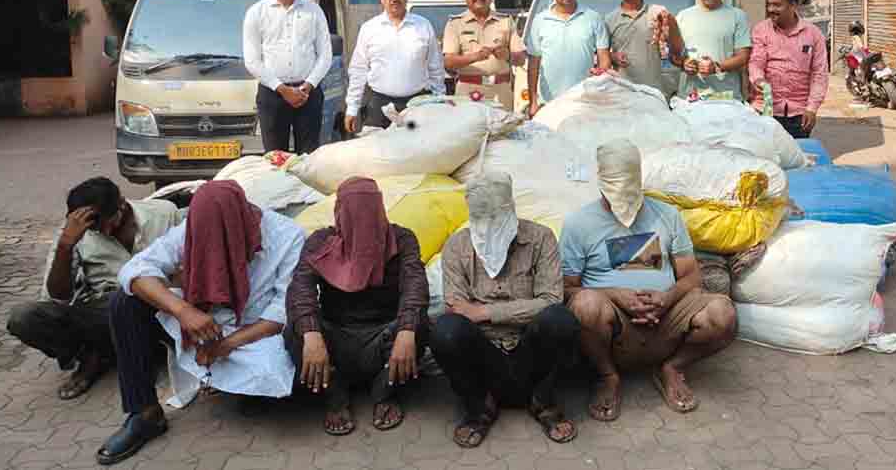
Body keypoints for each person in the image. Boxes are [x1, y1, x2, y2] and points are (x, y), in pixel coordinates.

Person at [95, 181, 304, 466]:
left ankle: (241, 389)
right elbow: (134, 269)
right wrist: (182, 311)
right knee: (126, 301)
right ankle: (144, 413)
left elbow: (282, 313)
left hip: (253, 334)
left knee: (276, 368)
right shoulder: (192, 227)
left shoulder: (288, 236)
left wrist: (225, 345)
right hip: (200, 323)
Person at [561, 139, 737, 422]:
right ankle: (608, 376)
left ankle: (672, 368)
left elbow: (691, 275)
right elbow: (568, 288)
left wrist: (668, 297)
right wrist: (615, 295)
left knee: (723, 313)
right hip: (614, 323)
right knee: (585, 306)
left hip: (668, 315)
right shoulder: (578, 224)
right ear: (600, 182)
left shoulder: (667, 215)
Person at [431, 173, 580, 448]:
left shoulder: (541, 238)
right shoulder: (457, 246)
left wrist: (484, 312)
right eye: (481, 218)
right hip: (484, 357)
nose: (489, 227)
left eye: (495, 219)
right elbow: (458, 310)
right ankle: (479, 407)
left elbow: (550, 300)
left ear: (511, 208)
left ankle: (543, 401)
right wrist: (518, 311)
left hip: (530, 351)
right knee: (446, 330)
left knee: (560, 320)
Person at [7, 178, 180, 401]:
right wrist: (65, 246)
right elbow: (59, 296)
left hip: (165, 306)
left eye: (106, 221)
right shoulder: (74, 234)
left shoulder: (164, 213)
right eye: (94, 226)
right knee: (24, 318)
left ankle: (154, 356)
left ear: (122, 204)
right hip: (107, 314)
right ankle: (91, 355)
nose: (103, 231)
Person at [284, 177, 429, 436]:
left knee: (420, 324)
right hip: (335, 341)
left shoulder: (402, 238)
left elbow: (415, 289)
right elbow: (300, 290)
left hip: (385, 338)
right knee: (294, 330)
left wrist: (407, 331)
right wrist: (311, 334)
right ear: (339, 211)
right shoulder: (320, 241)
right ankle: (336, 397)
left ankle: (384, 392)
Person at [243, 0, 333, 153]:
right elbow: (252, 60)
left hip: (308, 94)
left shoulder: (314, 11)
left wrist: (307, 86)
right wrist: (282, 89)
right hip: (273, 95)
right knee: (275, 157)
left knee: (309, 157)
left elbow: (325, 54)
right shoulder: (256, 13)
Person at [345, 0, 446, 132]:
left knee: (415, 151)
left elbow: (436, 68)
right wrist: (352, 107)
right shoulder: (369, 28)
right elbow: (358, 70)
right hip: (378, 105)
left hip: (415, 105)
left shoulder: (423, 26)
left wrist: (439, 101)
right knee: (378, 153)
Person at [524, 0, 611, 118]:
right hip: (549, 102)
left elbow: (604, 59)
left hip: (584, 101)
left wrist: (600, 93)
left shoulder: (593, 18)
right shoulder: (540, 21)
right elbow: (534, 63)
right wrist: (533, 102)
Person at [749, 0, 829, 139]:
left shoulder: (813, 35)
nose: (771, 9)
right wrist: (758, 80)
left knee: (797, 158)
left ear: (793, 5)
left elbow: (819, 73)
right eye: (769, 4)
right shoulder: (761, 30)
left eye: (777, 5)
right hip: (765, 110)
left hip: (799, 114)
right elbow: (756, 61)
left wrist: (812, 108)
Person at [442, 0, 527, 108]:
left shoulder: (505, 21)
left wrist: (508, 56)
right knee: (471, 129)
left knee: (503, 129)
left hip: (501, 92)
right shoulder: (455, 24)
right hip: (468, 92)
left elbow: (521, 58)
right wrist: (475, 57)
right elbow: (448, 62)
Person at [675, 0, 752, 102]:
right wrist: (684, 63)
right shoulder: (682, 16)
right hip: (691, 98)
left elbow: (743, 57)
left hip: (726, 98)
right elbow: (674, 54)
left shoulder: (738, 16)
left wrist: (717, 66)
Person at [604, 0, 685, 96]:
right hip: (623, 92)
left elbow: (677, 49)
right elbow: (600, 56)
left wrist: (670, 20)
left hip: (654, 92)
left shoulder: (657, 13)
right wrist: (612, 56)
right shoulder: (609, 20)